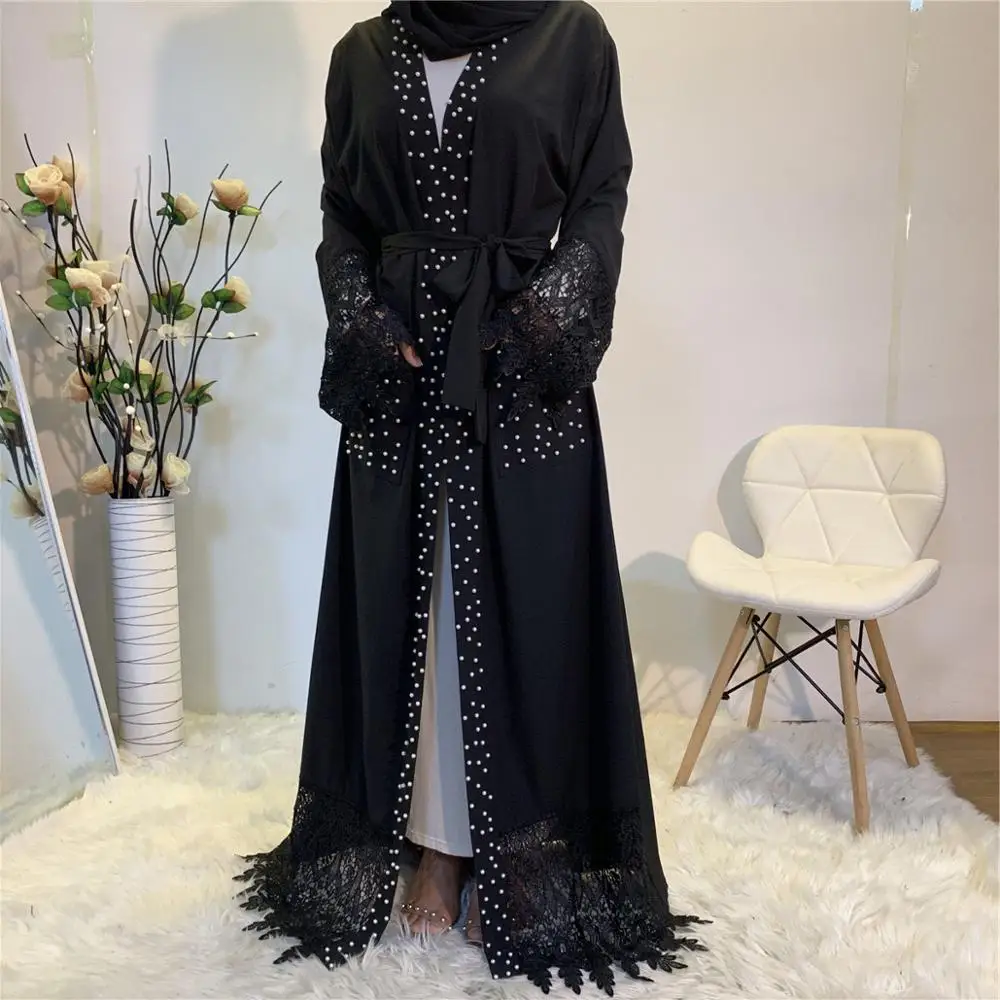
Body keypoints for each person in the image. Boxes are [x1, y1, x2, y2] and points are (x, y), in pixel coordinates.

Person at [237, 2, 702, 993]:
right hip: (401, 380)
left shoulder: (572, 36)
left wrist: (544, 318)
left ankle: (521, 851)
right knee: (412, 610)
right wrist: (363, 315)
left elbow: (600, 197)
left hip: (519, 376)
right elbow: (341, 214)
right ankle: (436, 847)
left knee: (527, 609)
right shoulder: (363, 53)